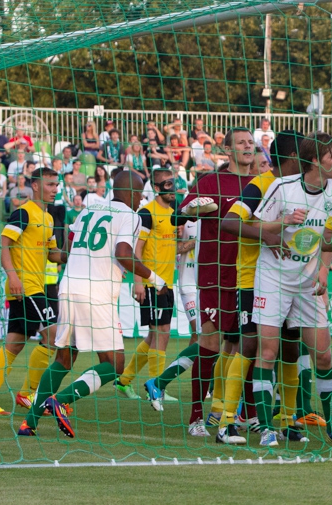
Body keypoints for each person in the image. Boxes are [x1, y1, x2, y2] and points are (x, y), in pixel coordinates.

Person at [17, 171, 162, 437]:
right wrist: (154, 277)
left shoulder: (88, 211)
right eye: (140, 194)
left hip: (69, 286)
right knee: (114, 364)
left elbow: (70, 246)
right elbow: (124, 254)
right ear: (129, 192)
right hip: (97, 293)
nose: (142, 200)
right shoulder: (130, 216)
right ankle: (60, 401)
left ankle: (29, 422)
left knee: (64, 357)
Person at [143, 129, 254, 438]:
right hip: (214, 274)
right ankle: (196, 418)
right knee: (209, 341)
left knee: (246, 344)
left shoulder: (261, 183)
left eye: (251, 143)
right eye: (242, 143)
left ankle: (231, 411)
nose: (249, 147)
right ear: (228, 150)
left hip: (253, 275)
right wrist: (194, 209)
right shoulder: (210, 182)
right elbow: (180, 216)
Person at [216, 131, 307, 442]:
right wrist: (267, 235)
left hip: (292, 279)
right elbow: (229, 222)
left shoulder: (302, 187)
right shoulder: (261, 184)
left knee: (292, 347)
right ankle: (226, 421)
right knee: (251, 345)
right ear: (293, 157)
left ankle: (286, 420)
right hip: (253, 277)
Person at [246, 132, 332, 447]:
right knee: (268, 351)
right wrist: (282, 222)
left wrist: (324, 268)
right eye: (331, 156)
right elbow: (254, 226)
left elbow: (327, 238)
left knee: (323, 356)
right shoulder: (282, 187)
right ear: (315, 161)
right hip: (273, 278)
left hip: (308, 281)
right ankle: (269, 428)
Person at [0, 168, 66, 416]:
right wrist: (12, 276)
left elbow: (53, 255)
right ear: (35, 186)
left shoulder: (48, 218)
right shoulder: (23, 213)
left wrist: (74, 248)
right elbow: (4, 244)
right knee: (52, 336)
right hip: (25, 286)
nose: (55, 189)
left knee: (14, 343)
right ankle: (27, 393)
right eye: (50, 185)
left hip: (36, 287)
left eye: (57, 185)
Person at [114, 168, 180, 403]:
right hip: (153, 284)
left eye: (174, 182)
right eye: (167, 183)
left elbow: (171, 247)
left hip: (167, 283)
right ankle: (156, 387)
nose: (172, 187)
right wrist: (138, 282)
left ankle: (124, 381)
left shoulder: (173, 213)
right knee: (161, 334)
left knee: (155, 335)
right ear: (158, 187)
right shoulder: (146, 214)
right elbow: (136, 249)